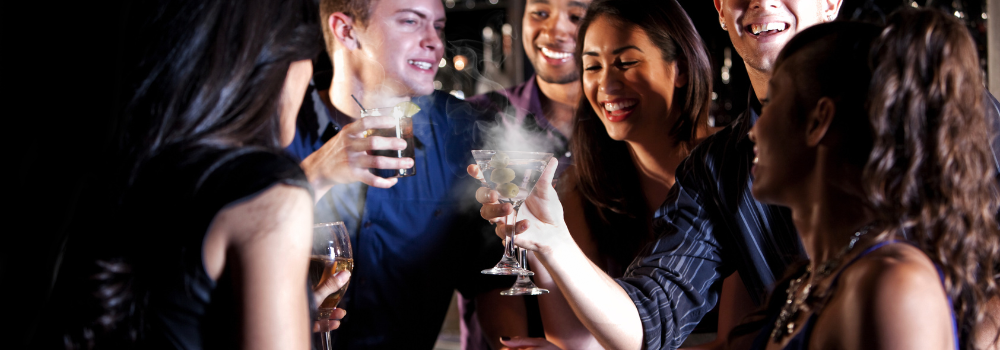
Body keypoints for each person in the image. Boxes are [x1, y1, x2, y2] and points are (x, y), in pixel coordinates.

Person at [475, 1, 1000, 350]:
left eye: (776, 111)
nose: (750, 131)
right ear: (721, 12)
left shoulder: (894, 277)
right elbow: (649, 319)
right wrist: (552, 242)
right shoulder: (719, 173)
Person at [41, 0, 350, 348]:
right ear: (274, 60)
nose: (310, 72)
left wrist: (286, 316)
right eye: (307, 54)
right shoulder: (270, 190)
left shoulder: (123, 171)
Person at [743, 10, 1000, 349]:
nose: (752, 131)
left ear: (819, 121)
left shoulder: (892, 286)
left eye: (772, 101)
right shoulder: (814, 279)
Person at [285, 0, 522, 348]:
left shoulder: (462, 134)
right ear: (345, 30)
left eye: (438, 26)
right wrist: (314, 174)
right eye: (412, 21)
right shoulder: (276, 126)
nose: (435, 42)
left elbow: (493, 279)